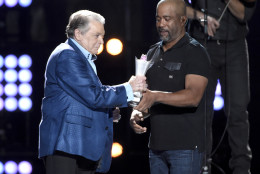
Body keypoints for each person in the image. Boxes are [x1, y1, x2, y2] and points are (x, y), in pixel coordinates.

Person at [38, 10, 147, 174]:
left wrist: (107, 112)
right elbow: (94, 95)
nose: (101, 41)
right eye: (96, 35)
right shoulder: (67, 55)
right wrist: (129, 87)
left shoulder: (79, 57)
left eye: (102, 36)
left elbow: (83, 99)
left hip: (78, 146)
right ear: (78, 34)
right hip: (66, 145)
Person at [130, 0, 210, 173]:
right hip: (156, 147)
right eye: (158, 19)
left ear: (183, 20)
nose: (161, 24)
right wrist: (137, 113)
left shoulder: (196, 52)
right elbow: (146, 96)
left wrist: (155, 96)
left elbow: (193, 97)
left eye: (167, 19)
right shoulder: (152, 52)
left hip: (185, 148)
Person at [185, 0, 256, 173]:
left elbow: (244, 14)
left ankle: (242, 168)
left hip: (235, 47)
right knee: (201, 111)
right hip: (202, 44)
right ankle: (202, 166)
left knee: (238, 111)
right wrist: (201, 17)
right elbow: (175, 5)